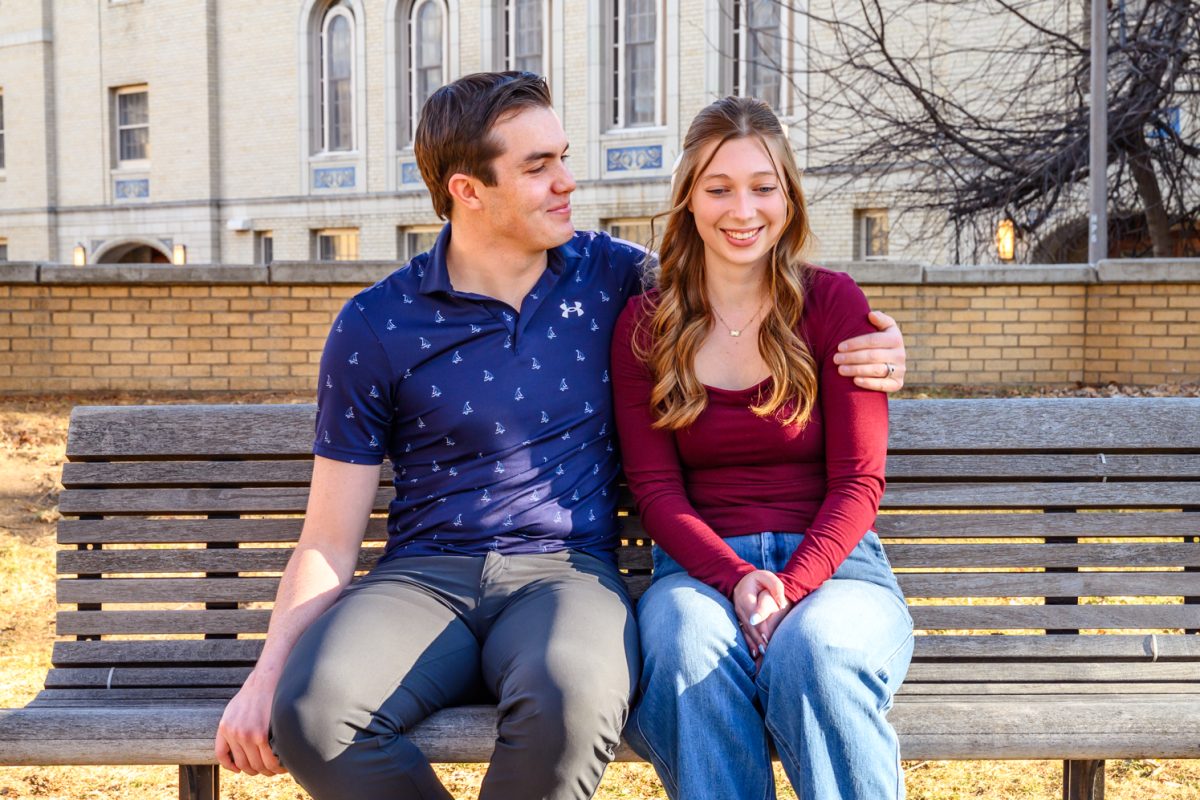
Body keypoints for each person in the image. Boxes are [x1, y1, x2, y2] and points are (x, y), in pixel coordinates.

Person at [213, 73, 908, 800]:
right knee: (313, 717)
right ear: (468, 190)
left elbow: (742, 284)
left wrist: (884, 352)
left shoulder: (614, 278)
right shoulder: (376, 324)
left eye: (563, 156)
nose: (568, 181)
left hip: (565, 574)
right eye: (538, 167)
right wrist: (268, 676)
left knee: (578, 699)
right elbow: (328, 538)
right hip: (425, 577)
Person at [610, 95, 914, 800]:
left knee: (819, 650)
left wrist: (790, 587)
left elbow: (859, 485)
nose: (742, 210)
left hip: (839, 571)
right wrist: (736, 578)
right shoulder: (646, 326)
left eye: (762, 187)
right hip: (696, 573)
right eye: (719, 189)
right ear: (689, 199)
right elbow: (656, 492)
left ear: (789, 196)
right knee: (685, 645)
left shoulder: (833, 305)